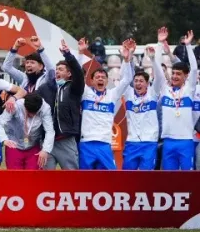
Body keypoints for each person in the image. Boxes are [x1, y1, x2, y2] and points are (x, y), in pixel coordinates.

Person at [79, 40, 133, 170]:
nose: (100, 79)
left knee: (110, 180)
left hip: (104, 143)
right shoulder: (85, 93)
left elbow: (127, 80)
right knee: (84, 181)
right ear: (91, 81)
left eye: (103, 77)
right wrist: (81, 53)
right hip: (86, 143)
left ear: (107, 80)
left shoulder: (112, 95)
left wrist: (126, 60)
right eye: (97, 77)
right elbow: (78, 75)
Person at [36, 39, 84, 170]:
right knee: (46, 180)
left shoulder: (74, 88)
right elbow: (32, 101)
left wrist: (68, 55)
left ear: (69, 73)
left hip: (66, 140)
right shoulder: (45, 88)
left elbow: (79, 73)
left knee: (71, 179)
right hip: (47, 142)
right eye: (56, 69)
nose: (57, 71)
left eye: (61, 69)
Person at [153, 29, 197, 170]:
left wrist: (188, 46)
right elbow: (158, 69)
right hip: (168, 141)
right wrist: (160, 44)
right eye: (173, 73)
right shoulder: (166, 90)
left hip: (185, 140)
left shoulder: (189, 90)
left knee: (187, 179)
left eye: (179, 74)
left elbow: (194, 69)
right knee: (168, 180)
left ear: (186, 76)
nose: (175, 76)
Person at [122, 36, 162, 170]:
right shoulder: (129, 95)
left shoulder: (152, 94)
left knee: (147, 178)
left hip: (149, 143)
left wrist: (153, 59)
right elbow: (125, 78)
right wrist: (127, 58)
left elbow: (160, 78)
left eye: (141, 81)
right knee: (127, 178)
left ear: (147, 83)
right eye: (136, 81)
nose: (138, 83)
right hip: (132, 142)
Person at [0, 92, 53, 169]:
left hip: (33, 146)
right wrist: (4, 139)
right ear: (25, 106)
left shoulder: (45, 108)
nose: (32, 115)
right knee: (15, 178)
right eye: (29, 112)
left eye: (34, 113)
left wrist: (45, 150)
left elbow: (49, 131)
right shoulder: (16, 105)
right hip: (13, 144)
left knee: (33, 178)